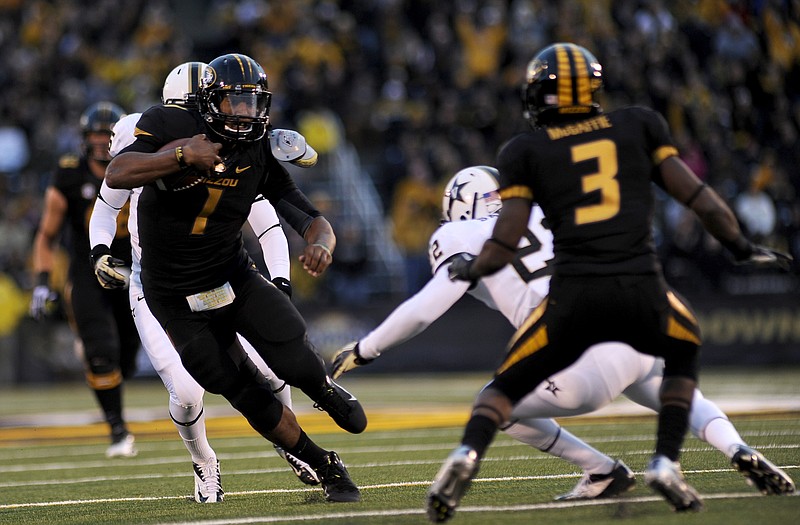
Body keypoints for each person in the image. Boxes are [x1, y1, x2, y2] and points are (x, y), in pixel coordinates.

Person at [428, 42, 793, 522]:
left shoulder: (525, 153)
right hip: (644, 291)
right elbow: (700, 198)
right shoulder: (639, 123)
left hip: (574, 304)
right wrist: (742, 248)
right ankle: (706, 452)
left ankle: (487, 456)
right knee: (678, 364)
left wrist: (471, 269)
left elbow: (504, 241)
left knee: (497, 396)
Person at [331, 165, 795, 502]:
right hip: (633, 323)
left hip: (574, 355)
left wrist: (366, 348)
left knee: (494, 403)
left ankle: (602, 471)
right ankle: (736, 446)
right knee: (674, 392)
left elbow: (428, 306)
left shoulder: (460, 234)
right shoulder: (547, 207)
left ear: (459, 206)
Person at [102, 53, 365, 503]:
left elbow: (307, 216)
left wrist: (322, 244)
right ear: (208, 103)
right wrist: (183, 155)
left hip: (231, 275)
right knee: (236, 387)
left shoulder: (256, 148)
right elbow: (118, 172)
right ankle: (324, 465)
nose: (245, 114)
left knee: (293, 356)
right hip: (172, 294)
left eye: (252, 103)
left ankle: (321, 387)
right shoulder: (167, 124)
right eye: (234, 103)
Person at [30, 101, 141, 459]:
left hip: (133, 271)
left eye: (108, 134)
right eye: (96, 134)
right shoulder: (70, 174)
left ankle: (113, 398)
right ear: (84, 138)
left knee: (126, 358)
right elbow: (46, 235)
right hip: (88, 271)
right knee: (100, 352)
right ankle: (117, 428)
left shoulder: (142, 164)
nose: (102, 141)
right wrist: (43, 280)